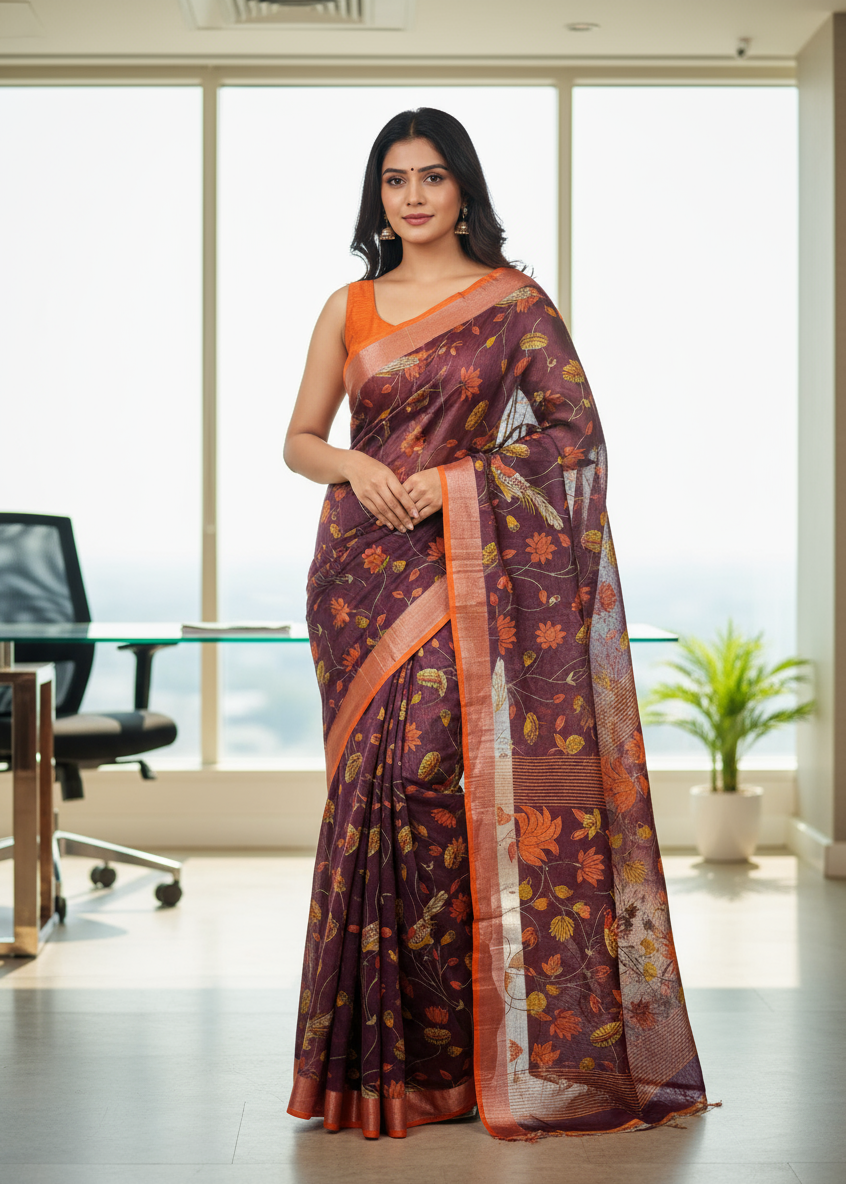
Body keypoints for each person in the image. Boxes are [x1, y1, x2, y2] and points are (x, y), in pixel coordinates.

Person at [283, 107, 710, 1141]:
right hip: (357, 574)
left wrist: (451, 483)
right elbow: (299, 438)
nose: (414, 196)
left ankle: (480, 1049)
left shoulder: (515, 304)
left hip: (468, 565)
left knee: (438, 781)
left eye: (433, 177)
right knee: (376, 796)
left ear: (464, 189)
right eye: (395, 179)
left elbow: (576, 437)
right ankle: (390, 1064)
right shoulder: (349, 306)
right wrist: (357, 464)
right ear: (377, 195)